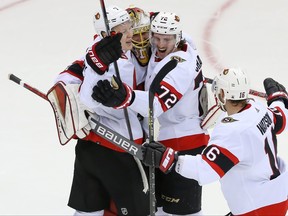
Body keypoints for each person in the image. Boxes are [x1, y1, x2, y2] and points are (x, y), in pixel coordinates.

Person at [92, 11, 209, 215]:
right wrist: (143, 16)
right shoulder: (182, 42)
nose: (160, 44)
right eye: (156, 37)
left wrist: (125, 97)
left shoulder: (179, 67)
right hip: (167, 141)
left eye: (166, 39)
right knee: (162, 209)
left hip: (185, 143)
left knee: (184, 211)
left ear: (177, 37)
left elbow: (156, 105)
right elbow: (156, 24)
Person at [142, 68, 288, 215]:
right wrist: (278, 99)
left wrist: (168, 159)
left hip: (258, 208)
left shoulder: (232, 130)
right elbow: (281, 119)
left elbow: (205, 171)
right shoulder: (258, 109)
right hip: (277, 195)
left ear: (223, 94)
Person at [53, 5, 152, 216]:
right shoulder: (108, 60)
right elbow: (87, 98)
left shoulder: (98, 51)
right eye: (122, 31)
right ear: (107, 34)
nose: (130, 35)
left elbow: (66, 77)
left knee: (87, 212)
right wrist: (98, 65)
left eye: (129, 29)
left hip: (91, 149)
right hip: (118, 151)